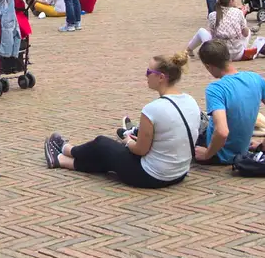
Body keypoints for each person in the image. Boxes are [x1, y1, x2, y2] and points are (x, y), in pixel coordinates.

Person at [43, 52, 200, 189]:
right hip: (178, 173)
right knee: (110, 157)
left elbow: (140, 150)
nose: (145, 75)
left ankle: (68, 149)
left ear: (161, 77)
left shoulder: (153, 109)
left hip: (152, 176)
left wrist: (127, 142)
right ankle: (61, 160)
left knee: (102, 144)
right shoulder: (190, 100)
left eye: (148, 71)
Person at [194, 42, 265, 165]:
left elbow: (222, 132)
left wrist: (206, 154)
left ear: (208, 66)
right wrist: (264, 146)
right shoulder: (255, 79)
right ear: (229, 58)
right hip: (242, 151)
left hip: (218, 154)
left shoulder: (216, 89)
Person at [186, 0, 257, 62]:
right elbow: (245, 34)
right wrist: (243, 18)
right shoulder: (238, 12)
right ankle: (243, 49)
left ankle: (188, 49)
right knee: (247, 30)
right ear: (231, 2)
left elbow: (212, 35)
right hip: (237, 54)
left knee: (202, 31)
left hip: (219, 54)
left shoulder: (212, 15)